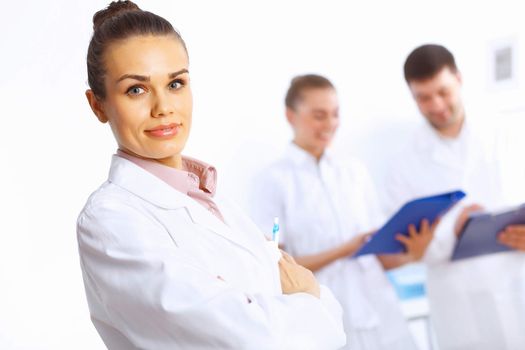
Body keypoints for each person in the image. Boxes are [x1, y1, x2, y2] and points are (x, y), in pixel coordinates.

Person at [77, 2, 347, 349]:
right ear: (97, 105)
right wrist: (311, 297)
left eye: (175, 83)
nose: (163, 108)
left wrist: (299, 304)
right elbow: (256, 340)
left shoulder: (213, 202)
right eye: (136, 89)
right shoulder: (111, 221)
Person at [249, 74, 435, 350]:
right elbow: (277, 268)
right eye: (319, 116)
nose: (330, 124)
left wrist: (413, 254)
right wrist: (343, 249)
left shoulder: (354, 171)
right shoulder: (273, 181)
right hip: (324, 319)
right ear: (291, 116)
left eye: (335, 115)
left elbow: (378, 254)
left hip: (380, 313)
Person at [383, 44, 525, 350]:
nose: (436, 105)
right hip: (457, 303)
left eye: (443, 92)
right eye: (424, 97)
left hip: (515, 283)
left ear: (459, 79)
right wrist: (440, 237)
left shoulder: (509, 132)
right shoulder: (402, 163)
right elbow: (404, 248)